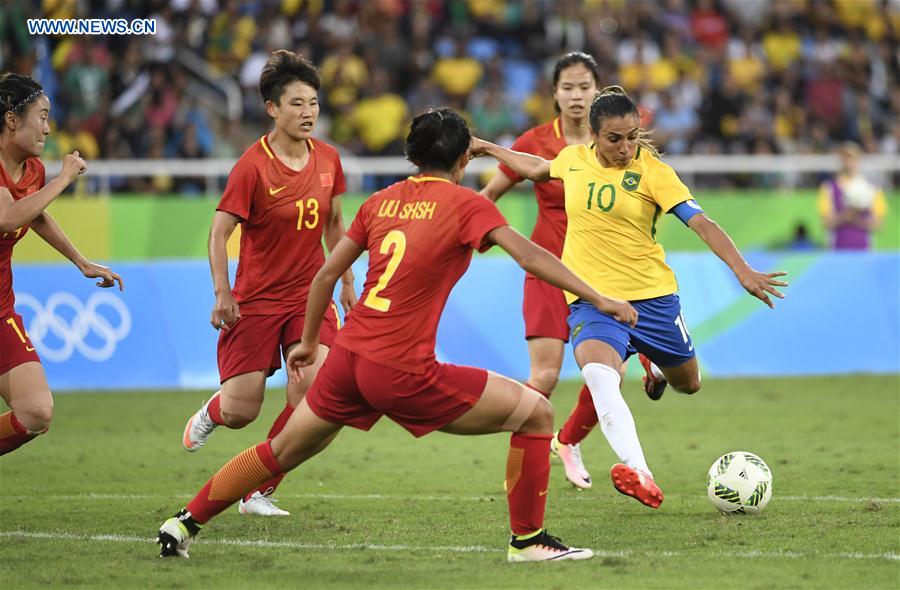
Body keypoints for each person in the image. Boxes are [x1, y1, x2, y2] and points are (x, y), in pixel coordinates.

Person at [157, 108, 639, 562]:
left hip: (347, 360)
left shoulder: (380, 202)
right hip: (401, 369)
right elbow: (531, 256)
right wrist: (599, 298)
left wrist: (307, 342)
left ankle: (184, 522)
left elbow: (325, 276)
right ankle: (528, 542)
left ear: (412, 156)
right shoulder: (468, 206)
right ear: (463, 158)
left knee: (278, 451)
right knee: (537, 414)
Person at [470, 86, 788, 509]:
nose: (625, 148)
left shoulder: (654, 172)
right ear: (594, 136)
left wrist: (741, 269)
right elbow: (537, 169)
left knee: (689, 384)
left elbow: (702, 223)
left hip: (653, 299)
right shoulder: (574, 160)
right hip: (593, 301)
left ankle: (655, 369)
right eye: (614, 139)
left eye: (632, 137)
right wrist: (488, 147)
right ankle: (640, 471)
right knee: (600, 376)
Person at [179, 51, 356, 517]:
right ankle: (214, 411)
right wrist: (223, 292)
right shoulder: (252, 166)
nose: (308, 112)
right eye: (296, 103)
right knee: (242, 412)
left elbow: (335, 224)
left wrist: (346, 279)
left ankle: (258, 490)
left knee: (316, 398)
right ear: (272, 108)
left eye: (313, 103)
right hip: (256, 299)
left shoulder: (330, 159)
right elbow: (219, 232)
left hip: (309, 296)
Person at [481, 51, 607, 491]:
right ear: (554, 93)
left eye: (584, 86)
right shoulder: (534, 141)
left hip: (599, 276)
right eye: (568, 87)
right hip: (547, 269)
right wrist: (465, 230)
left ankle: (568, 441)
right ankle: (518, 467)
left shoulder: (611, 141)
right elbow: (489, 195)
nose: (576, 95)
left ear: (598, 91)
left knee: (606, 376)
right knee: (546, 376)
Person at [0, 73, 123, 456]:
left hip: (0, 312)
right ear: (12, 120)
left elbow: (34, 214)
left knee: (35, 412)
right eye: (42, 117)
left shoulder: (32, 171)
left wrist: (81, 261)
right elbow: (8, 217)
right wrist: (65, 178)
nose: (48, 129)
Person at [818, 141, 888, 250]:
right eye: (845, 157)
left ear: (859, 159)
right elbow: (826, 223)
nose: (849, 162)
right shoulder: (829, 188)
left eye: (853, 158)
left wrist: (856, 219)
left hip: (864, 250)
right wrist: (844, 217)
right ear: (840, 159)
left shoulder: (872, 188)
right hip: (837, 250)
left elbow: (879, 224)